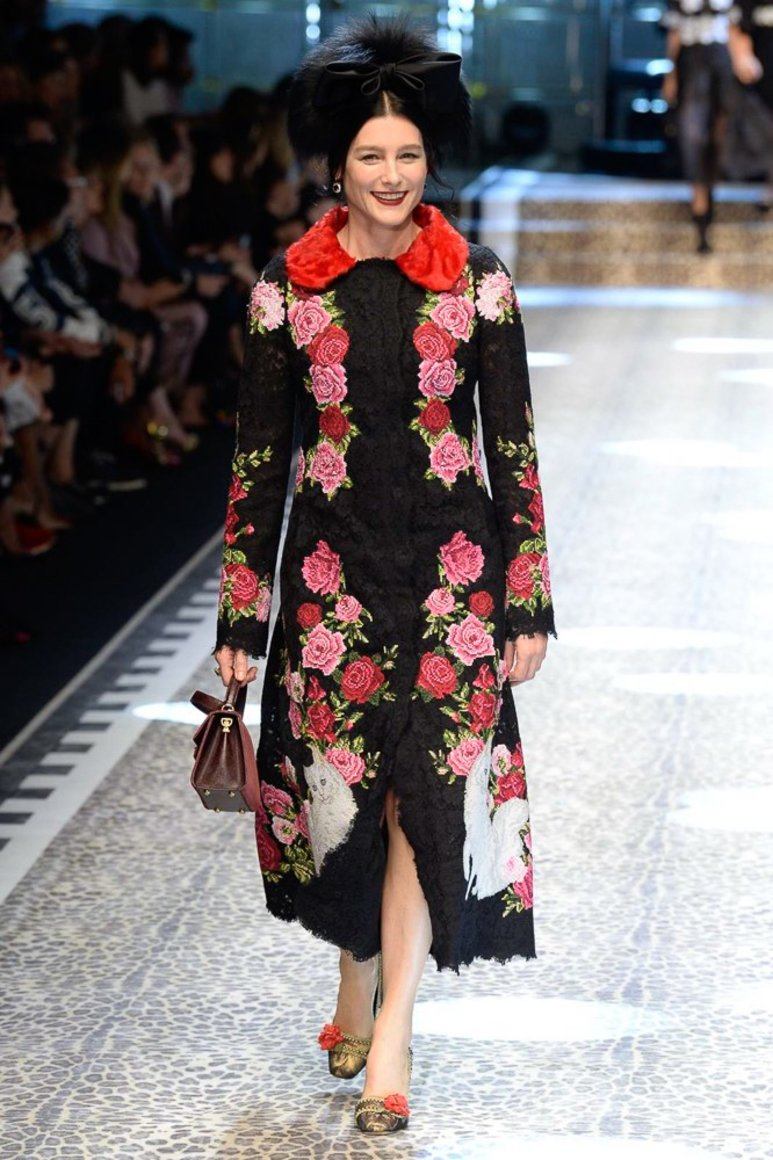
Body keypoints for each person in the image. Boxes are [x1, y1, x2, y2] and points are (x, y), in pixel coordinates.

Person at [211, 12, 557, 1134]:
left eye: (409, 154)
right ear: (337, 164)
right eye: (372, 155)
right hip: (331, 581)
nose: (393, 174)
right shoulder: (286, 293)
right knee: (341, 799)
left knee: (421, 800)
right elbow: (258, 465)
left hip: (453, 582)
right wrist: (240, 616)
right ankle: (354, 974)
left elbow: (512, 448)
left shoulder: (479, 284)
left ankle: (392, 1034)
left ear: (430, 158)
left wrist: (526, 599)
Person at [661, 0, 744, 252]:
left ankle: (709, 192)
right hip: (691, 61)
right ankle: (700, 201)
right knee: (692, 133)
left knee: (721, 135)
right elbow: (675, 32)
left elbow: (734, 28)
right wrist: (671, 75)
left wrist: (741, 58)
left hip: (722, 60)